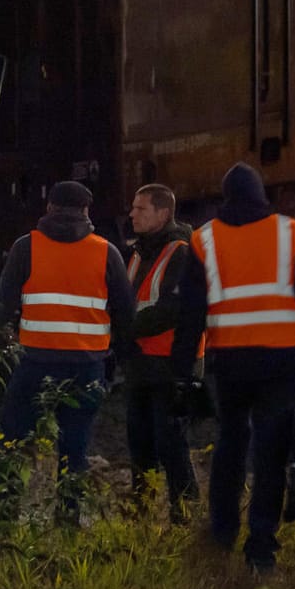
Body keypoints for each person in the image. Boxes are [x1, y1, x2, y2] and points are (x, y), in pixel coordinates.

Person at [174, 162, 295, 574]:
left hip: (231, 363)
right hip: (283, 363)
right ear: (261, 193)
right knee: (271, 452)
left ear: (225, 197)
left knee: (231, 442)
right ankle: (261, 545)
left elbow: (189, 314)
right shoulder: (291, 232)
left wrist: (182, 371)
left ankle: (223, 530)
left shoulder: (203, 239)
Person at [0, 180, 134, 520]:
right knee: (75, 445)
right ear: (86, 211)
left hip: (34, 363)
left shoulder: (26, 248)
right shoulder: (106, 252)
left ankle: (5, 515)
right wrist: (119, 359)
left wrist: (4, 342)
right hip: (86, 366)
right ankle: (68, 519)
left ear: (49, 208)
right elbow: (127, 315)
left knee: (13, 440)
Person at [123, 183, 201, 520]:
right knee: (140, 443)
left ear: (163, 213)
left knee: (170, 443)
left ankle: (184, 511)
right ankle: (142, 511)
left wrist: (125, 328)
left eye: (141, 209)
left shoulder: (180, 252)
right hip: (142, 364)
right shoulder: (140, 250)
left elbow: (173, 309)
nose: (132, 214)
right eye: (133, 208)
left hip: (171, 365)